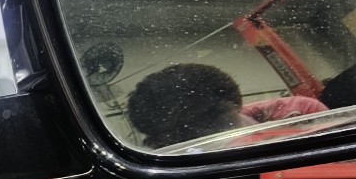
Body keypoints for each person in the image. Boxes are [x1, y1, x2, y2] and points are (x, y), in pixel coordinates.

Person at [125, 62, 327, 149]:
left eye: (214, 116)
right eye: (184, 131)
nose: (204, 131)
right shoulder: (157, 161)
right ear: (161, 140)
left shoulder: (300, 113)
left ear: (233, 104)